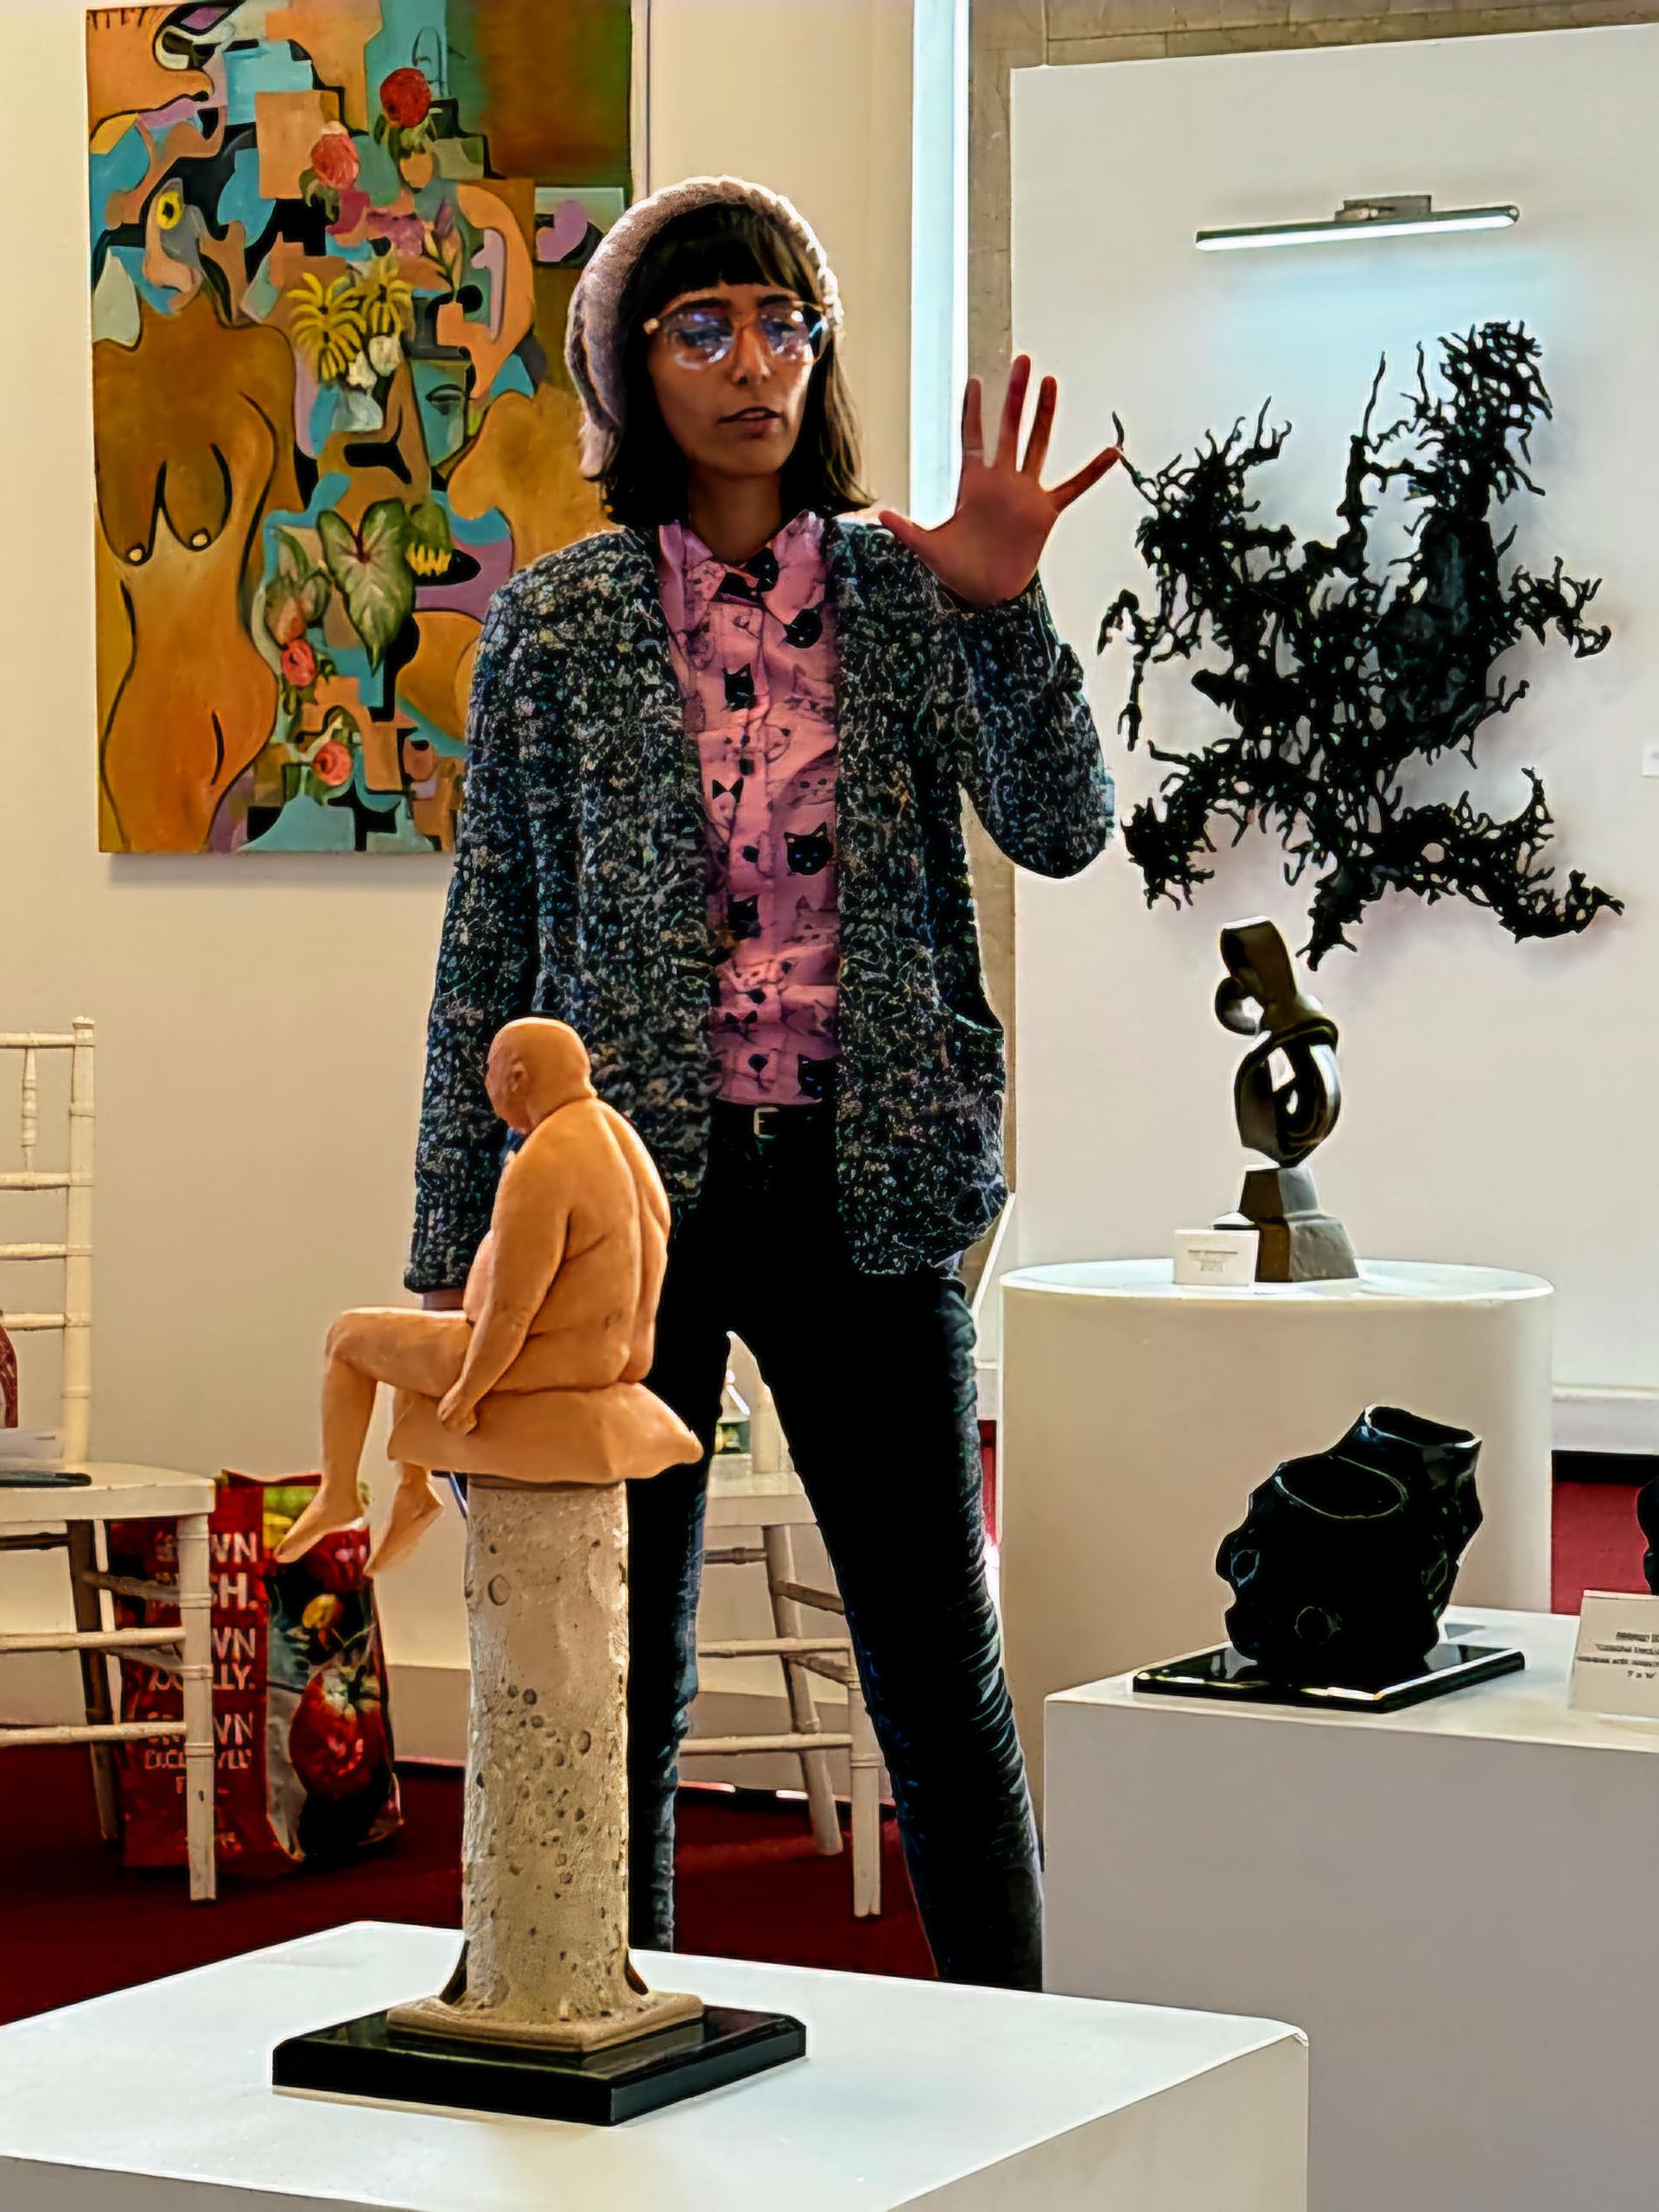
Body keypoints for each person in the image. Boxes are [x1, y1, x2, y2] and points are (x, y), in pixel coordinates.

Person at [409, 175, 1119, 1990]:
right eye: (704, 326)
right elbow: (488, 955)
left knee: (937, 1671)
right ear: (630, 371)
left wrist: (1005, 611)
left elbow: (1063, 826)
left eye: (784, 322)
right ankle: (608, 2026)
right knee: (615, 1669)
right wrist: (449, 1262)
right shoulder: (560, 623)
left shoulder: (905, 590)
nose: (753, 364)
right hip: (620, 1210)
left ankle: (1018, 2060)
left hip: (871, 1187)